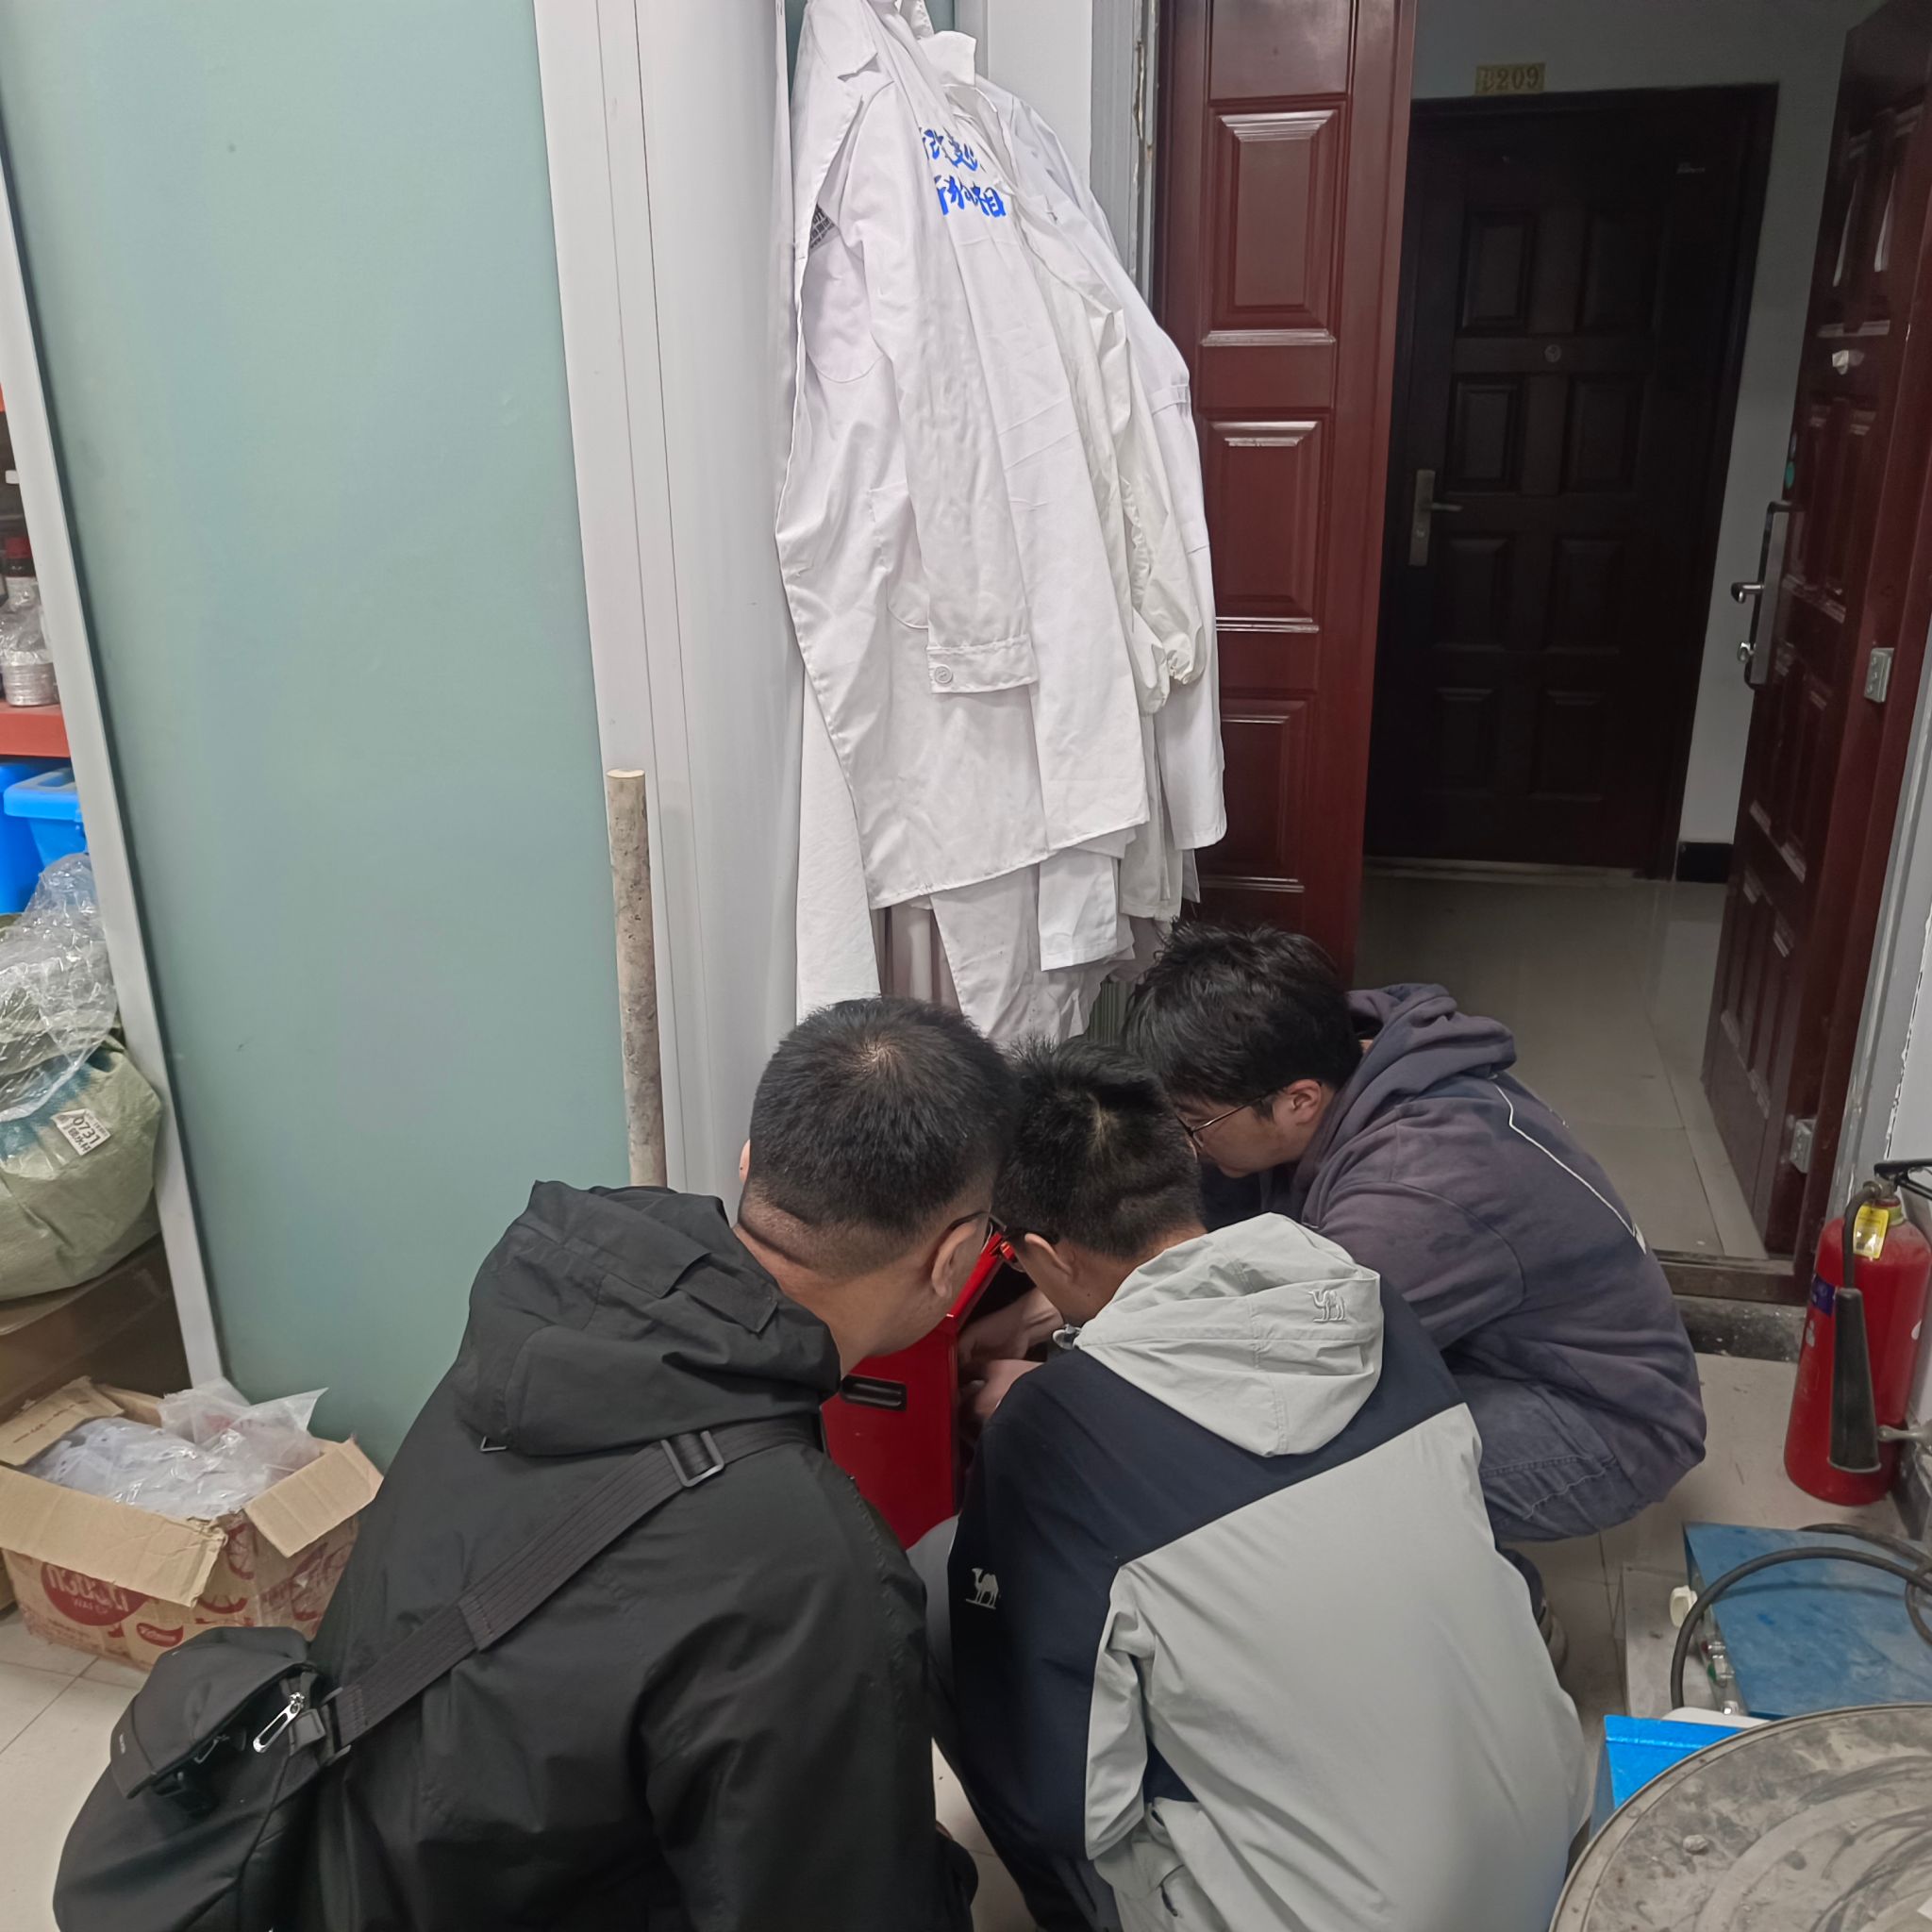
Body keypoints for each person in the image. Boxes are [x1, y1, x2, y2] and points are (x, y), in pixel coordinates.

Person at [294, 998, 1008, 1932]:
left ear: (748, 1163)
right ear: (953, 1257)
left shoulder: (555, 1299)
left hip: (341, 1849)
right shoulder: (812, 1566)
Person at [940, 1041, 1589, 1932]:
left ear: (1044, 1253)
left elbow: (1064, 1808)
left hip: (1348, 1919)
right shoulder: (1370, 1306)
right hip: (1551, 1849)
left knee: (945, 1600)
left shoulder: (1055, 1434)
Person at [1124, 924, 1706, 1564]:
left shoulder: (1414, 1189)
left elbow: (1281, 1370)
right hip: (1494, 1347)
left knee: (1294, 1471)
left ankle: (1494, 1599)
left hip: (1604, 1420)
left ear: (1299, 1102)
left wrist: (1099, 1341)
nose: (1190, 1143)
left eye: (1197, 1123)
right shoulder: (1346, 1049)